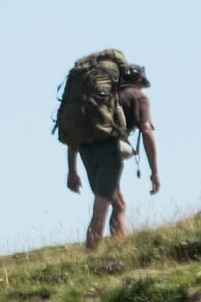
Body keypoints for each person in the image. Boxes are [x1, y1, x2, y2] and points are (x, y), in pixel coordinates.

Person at [57, 49, 159, 244]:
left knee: (118, 203)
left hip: (86, 150)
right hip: (108, 150)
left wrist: (72, 170)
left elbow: (75, 133)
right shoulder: (138, 98)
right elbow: (146, 131)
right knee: (102, 205)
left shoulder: (98, 98)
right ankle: (91, 254)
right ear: (139, 82)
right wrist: (154, 172)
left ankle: (118, 246)